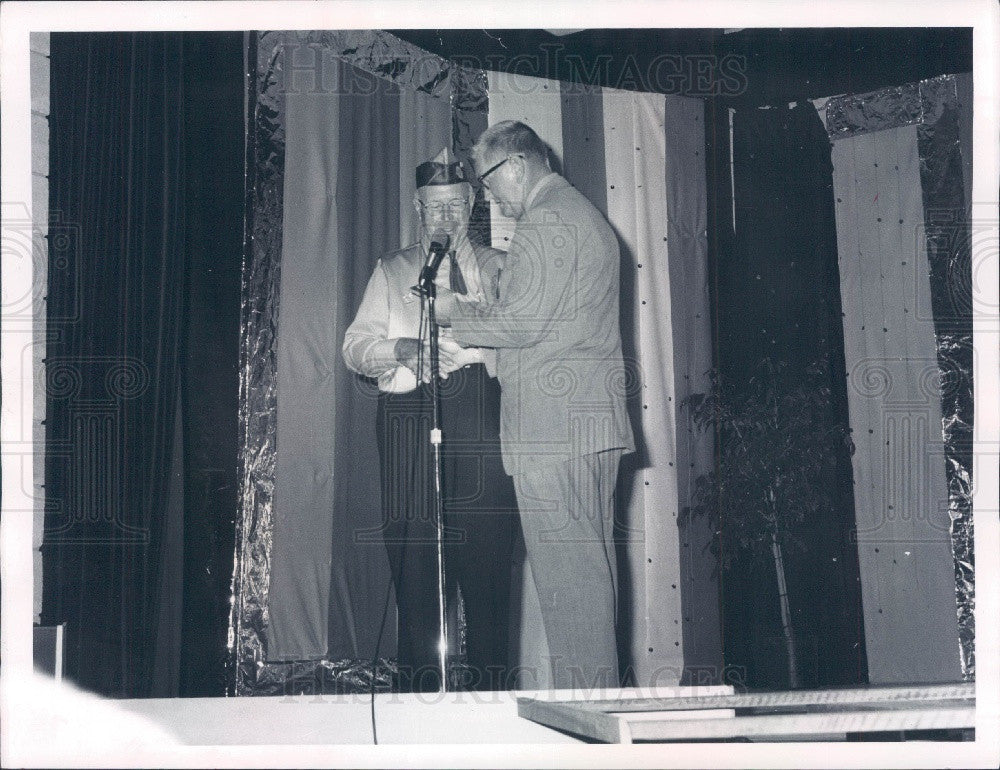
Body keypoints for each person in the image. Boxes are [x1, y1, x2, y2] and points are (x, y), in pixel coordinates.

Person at [435, 121, 635, 690]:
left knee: (572, 590)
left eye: (491, 184)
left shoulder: (544, 223)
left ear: (517, 166)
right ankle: (602, 716)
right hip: (585, 426)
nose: (491, 197)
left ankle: (591, 726)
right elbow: (552, 317)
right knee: (591, 585)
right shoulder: (581, 216)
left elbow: (520, 325)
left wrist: (452, 311)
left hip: (552, 432)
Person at [342, 148, 518, 692]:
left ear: (472, 207)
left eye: (455, 206)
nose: (445, 218)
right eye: (434, 208)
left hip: (482, 415)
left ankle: (493, 712)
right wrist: (401, 347)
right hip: (408, 419)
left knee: (488, 568)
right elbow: (354, 347)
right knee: (416, 570)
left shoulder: (496, 269)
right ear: (418, 209)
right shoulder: (392, 270)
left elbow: (525, 337)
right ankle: (416, 707)